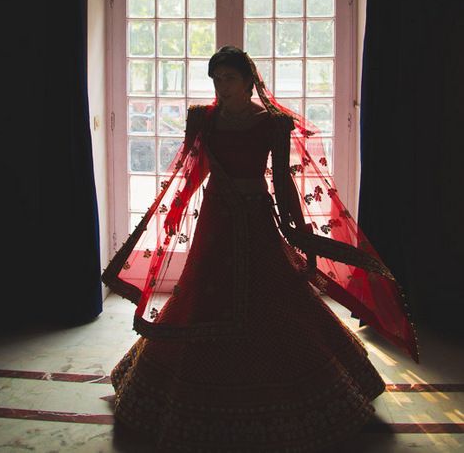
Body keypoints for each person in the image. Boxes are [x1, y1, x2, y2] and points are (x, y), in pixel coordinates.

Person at [102, 46, 418, 452]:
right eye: (216, 79)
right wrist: (174, 210)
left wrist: (302, 235)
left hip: (255, 219)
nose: (221, 86)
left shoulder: (273, 123)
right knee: (202, 293)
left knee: (277, 295)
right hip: (217, 220)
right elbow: (192, 166)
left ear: (249, 81)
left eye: (228, 78)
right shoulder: (204, 118)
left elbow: (283, 182)